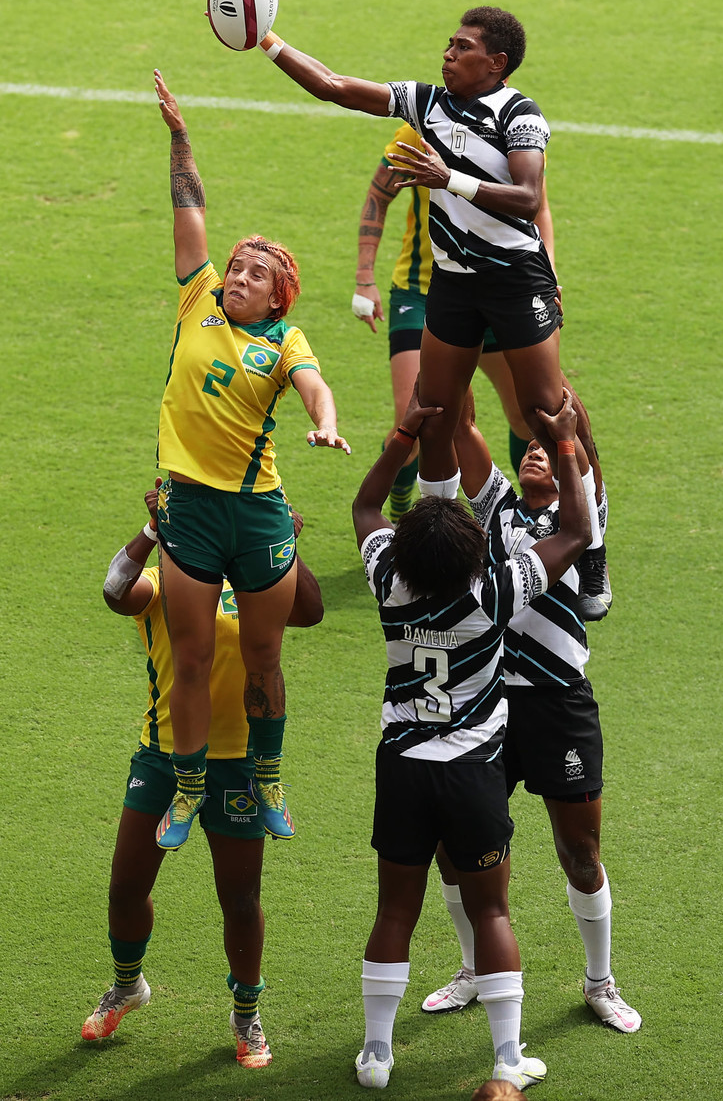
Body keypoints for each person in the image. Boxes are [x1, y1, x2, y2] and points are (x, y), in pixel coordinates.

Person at [351, 384, 590, 1091]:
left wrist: (403, 441)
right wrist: (568, 444)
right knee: (491, 908)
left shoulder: (392, 582)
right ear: (470, 551)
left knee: (395, 908)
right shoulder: (494, 590)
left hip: (400, 766)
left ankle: (375, 1053)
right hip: (469, 772)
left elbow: (366, 509)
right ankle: (509, 1057)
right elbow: (574, 530)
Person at [151, 70, 349, 852]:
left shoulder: (284, 342)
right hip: (190, 508)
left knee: (264, 655)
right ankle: (189, 788)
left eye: (254, 274)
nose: (236, 276)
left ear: (278, 298)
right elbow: (190, 209)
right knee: (192, 658)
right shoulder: (195, 296)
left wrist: (327, 423)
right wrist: (179, 135)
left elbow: (314, 386)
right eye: (236, 267)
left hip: (257, 510)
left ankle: (267, 775)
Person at [259, 5, 567, 498]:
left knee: (544, 413)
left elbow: (530, 200)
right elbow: (333, 86)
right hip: (451, 285)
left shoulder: (519, 113)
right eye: (450, 43)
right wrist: (266, 40)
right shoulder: (425, 105)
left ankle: (584, 540)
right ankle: (438, 541)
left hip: (513, 279)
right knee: (433, 418)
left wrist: (450, 179)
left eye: (463, 47)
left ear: (497, 63)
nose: (447, 53)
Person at [419, 397, 641, 1034]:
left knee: (580, 849)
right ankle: (470, 968)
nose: (536, 452)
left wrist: (566, 425)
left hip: (558, 705)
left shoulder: (582, 511)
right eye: (529, 448)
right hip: (486, 703)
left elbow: (583, 450)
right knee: (455, 845)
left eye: (549, 447)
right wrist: (458, 341)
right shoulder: (496, 509)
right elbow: (462, 427)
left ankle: (600, 981)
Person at [83, 486, 324, 1067]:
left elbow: (311, 611)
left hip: (241, 764)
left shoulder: (256, 582)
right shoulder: (168, 583)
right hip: (162, 755)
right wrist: (152, 532)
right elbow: (116, 590)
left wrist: (282, 543)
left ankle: (247, 1016)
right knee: (125, 887)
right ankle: (126, 985)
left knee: (240, 900)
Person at [352, 121, 557, 519]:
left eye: (462, 52)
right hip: (423, 290)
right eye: (452, 52)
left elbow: (539, 208)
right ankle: (401, 514)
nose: (450, 58)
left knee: (528, 416)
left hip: (503, 291)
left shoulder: (516, 129)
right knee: (415, 420)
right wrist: (364, 277)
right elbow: (380, 193)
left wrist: (545, 276)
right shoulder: (420, 129)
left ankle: (536, 521)